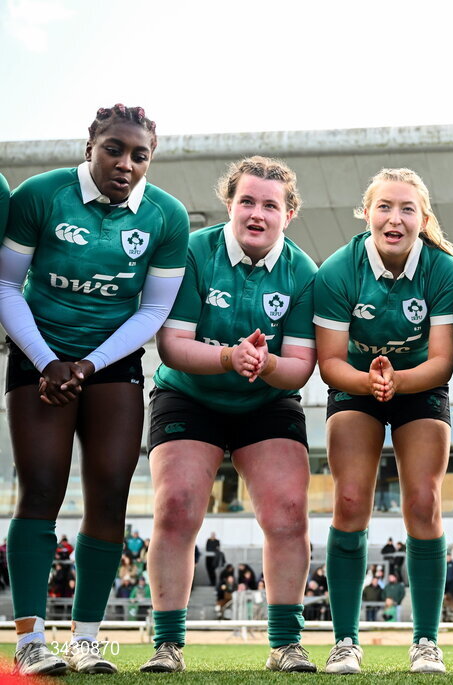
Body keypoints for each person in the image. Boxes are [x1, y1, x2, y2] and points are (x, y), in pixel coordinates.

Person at [0, 104, 189, 676]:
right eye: (114, 149)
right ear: (91, 146)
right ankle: (31, 640)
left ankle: (86, 640)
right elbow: (7, 286)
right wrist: (47, 360)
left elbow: (154, 308)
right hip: (39, 356)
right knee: (41, 489)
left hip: (110, 364)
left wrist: (88, 364)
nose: (126, 164)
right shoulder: (41, 195)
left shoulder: (166, 216)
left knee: (109, 494)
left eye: (140, 156)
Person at [139, 156, 318, 674]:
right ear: (229, 205)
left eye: (270, 204)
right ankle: (167, 644)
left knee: (287, 513)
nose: (256, 213)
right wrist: (228, 355)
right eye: (247, 201)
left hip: (265, 400)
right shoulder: (196, 252)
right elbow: (172, 346)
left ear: (289, 214)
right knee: (176, 506)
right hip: (189, 394)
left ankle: (286, 643)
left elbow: (300, 368)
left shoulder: (303, 272)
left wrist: (263, 364)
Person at [314, 168, 453, 674]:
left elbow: (443, 361)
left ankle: (425, 641)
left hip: (419, 383)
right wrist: (370, 382)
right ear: (367, 213)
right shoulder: (339, 270)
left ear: (424, 219)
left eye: (407, 209)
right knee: (351, 498)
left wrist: (400, 381)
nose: (394, 218)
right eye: (384, 207)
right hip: (356, 382)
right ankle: (345, 642)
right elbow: (331, 361)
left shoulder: (444, 270)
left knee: (422, 501)